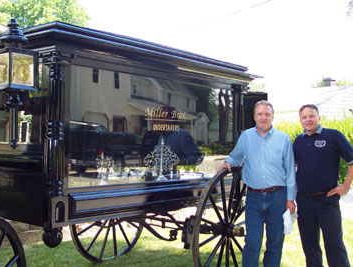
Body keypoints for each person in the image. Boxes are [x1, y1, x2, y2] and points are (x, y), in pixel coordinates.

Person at [219, 100, 296, 267]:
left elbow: (290, 172)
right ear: (254, 117)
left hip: (278, 197)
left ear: (272, 116)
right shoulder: (246, 136)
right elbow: (236, 156)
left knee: (275, 242)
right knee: (253, 241)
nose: (263, 117)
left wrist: (290, 199)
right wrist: (228, 162)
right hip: (253, 197)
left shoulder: (283, 139)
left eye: (267, 114)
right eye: (260, 114)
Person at [293, 104, 353, 267]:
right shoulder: (298, 141)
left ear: (319, 117)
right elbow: (292, 167)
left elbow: (352, 161)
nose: (308, 120)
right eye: (304, 117)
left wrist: (346, 186)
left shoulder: (333, 136)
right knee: (310, 247)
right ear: (300, 120)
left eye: (311, 116)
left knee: (334, 246)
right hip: (304, 202)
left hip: (327, 201)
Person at [141, 106, 202, 176]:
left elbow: (197, 157)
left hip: (175, 180)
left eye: (161, 117)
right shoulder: (161, 137)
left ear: (171, 119)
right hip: (161, 179)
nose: (158, 120)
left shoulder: (182, 135)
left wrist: (177, 163)